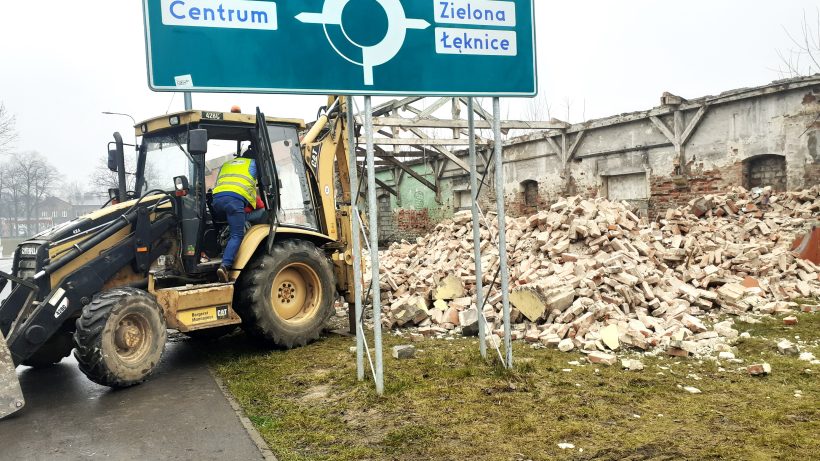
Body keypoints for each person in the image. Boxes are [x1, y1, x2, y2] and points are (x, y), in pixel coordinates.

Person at [212, 151, 259, 282]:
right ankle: (225, 266)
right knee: (237, 235)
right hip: (233, 201)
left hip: (216, 201)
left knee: (231, 221)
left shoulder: (226, 164)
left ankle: (222, 249)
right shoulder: (253, 163)